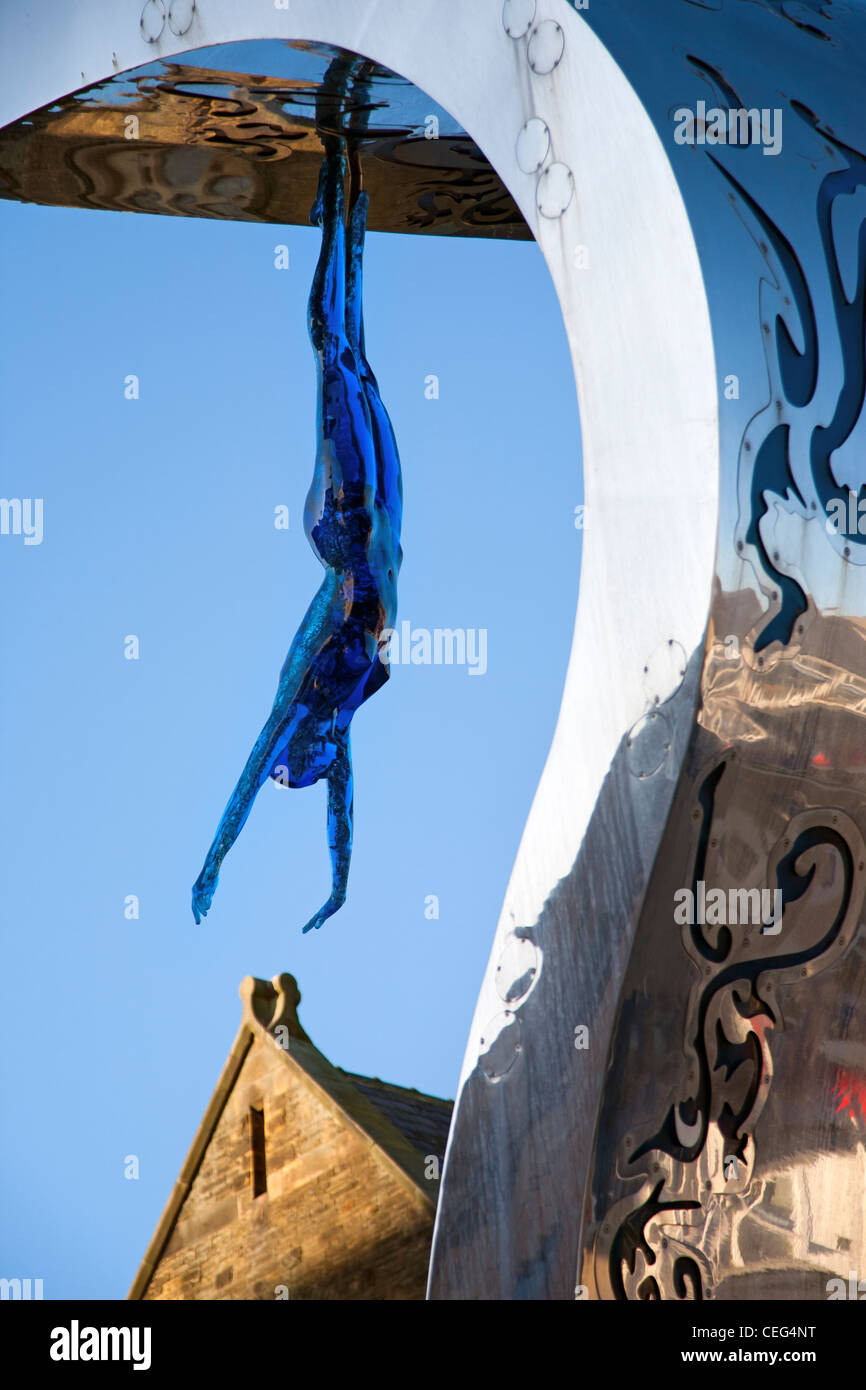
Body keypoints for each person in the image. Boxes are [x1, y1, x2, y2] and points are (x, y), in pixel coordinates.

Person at [191, 125, 403, 934]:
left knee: (335, 350)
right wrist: (340, 882)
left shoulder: (300, 703)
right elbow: (342, 810)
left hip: (353, 523)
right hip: (377, 525)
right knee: (354, 360)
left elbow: (247, 777)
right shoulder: (336, 720)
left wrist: (213, 863)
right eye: (318, 763)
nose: (321, 758)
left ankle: (340, 202)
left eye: (308, 759)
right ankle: (350, 210)